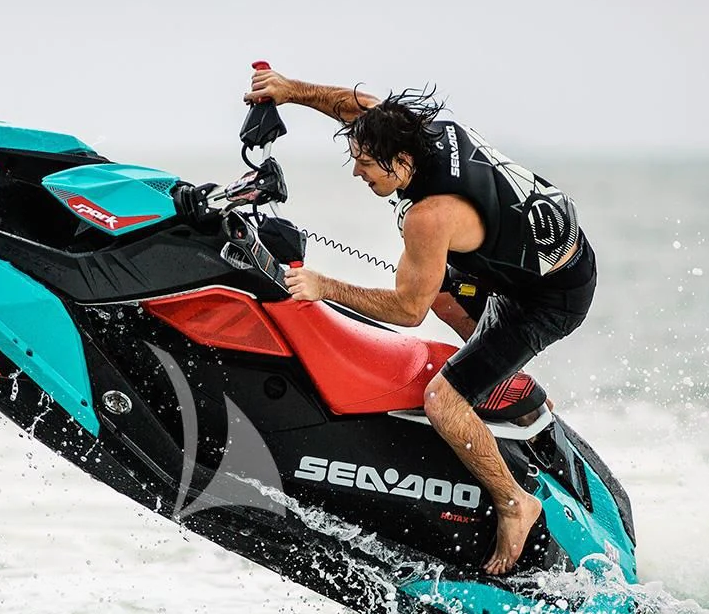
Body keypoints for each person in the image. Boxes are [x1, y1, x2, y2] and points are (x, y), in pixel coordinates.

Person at [245, 66, 597, 575]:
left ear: (402, 162)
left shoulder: (430, 216)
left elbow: (406, 310)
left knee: (442, 398)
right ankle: (502, 381)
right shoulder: (418, 131)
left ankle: (515, 504)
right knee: (443, 294)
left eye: (366, 164)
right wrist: (288, 90)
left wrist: (325, 287)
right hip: (539, 263)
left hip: (548, 299)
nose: (357, 172)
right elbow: (359, 107)